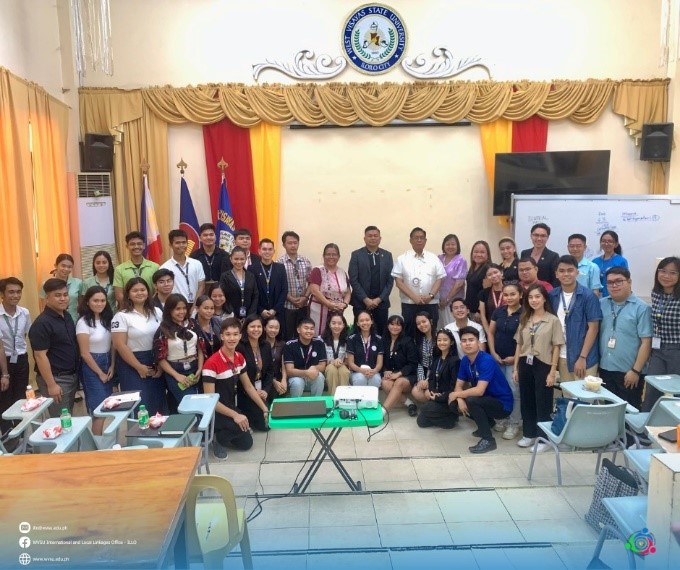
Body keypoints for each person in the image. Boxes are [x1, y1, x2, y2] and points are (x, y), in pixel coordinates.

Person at [202, 318, 267, 458]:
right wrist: (235, 415)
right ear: (222, 336)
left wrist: (265, 409)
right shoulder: (211, 364)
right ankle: (215, 437)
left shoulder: (239, 357)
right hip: (217, 410)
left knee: (246, 443)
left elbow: (249, 386)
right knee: (240, 429)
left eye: (235, 334)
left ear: (240, 336)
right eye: (228, 334)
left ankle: (233, 428)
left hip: (231, 405)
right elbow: (210, 401)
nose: (232, 338)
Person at [513, 284, 564, 452]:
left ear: (544, 299)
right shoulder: (524, 318)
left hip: (544, 364)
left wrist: (552, 372)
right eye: (530, 297)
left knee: (543, 401)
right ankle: (529, 434)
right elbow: (519, 345)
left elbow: (557, 346)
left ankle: (544, 439)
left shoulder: (553, 320)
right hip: (525, 363)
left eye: (537, 297)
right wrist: (515, 369)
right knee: (527, 399)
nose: (534, 300)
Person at [449, 327, 514, 454]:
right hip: (484, 400)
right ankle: (487, 423)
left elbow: (479, 391)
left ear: (478, 342)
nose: (467, 343)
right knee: (455, 404)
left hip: (502, 404)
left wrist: (457, 394)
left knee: (472, 400)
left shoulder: (486, 360)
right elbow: (459, 384)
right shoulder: (465, 361)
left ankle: (488, 440)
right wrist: (459, 399)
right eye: (464, 341)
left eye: (471, 340)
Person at [598, 267, 652, 412]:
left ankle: (630, 436)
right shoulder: (601, 304)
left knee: (630, 413)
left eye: (619, 281)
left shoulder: (642, 308)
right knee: (609, 410)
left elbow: (646, 342)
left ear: (629, 282)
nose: (614, 286)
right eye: (610, 283)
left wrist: (636, 370)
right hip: (605, 369)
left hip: (629, 372)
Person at [111, 277, 164, 415]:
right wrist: (138, 367)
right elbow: (119, 345)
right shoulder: (121, 316)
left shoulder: (157, 311)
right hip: (131, 363)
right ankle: (138, 436)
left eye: (142, 289)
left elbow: (164, 338)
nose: (139, 293)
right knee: (140, 406)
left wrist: (161, 364)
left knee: (158, 403)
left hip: (156, 360)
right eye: (135, 290)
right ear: (128, 294)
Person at [28, 278, 80, 417]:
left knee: (68, 417)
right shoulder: (42, 323)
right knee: (60, 420)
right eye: (57, 295)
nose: (63, 299)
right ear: (47, 298)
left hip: (71, 376)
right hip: (56, 379)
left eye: (65, 294)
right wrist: (51, 384)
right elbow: (40, 356)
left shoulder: (66, 316)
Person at [548, 255, 602, 380]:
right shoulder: (552, 296)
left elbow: (593, 329)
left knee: (585, 397)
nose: (566, 274)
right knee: (568, 396)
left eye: (570, 270)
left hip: (584, 357)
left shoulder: (588, 296)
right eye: (561, 271)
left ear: (577, 272)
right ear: (556, 274)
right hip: (562, 356)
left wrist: (582, 357)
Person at [391, 227, 446, 338]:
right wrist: (414, 297)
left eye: (422, 238)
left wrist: (430, 296)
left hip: (430, 303)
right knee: (410, 334)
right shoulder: (402, 259)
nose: (419, 240)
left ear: (425, 240)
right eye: (416, 238)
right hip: (409, 304)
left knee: (431, 333)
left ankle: (430, 355)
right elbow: (399, 281)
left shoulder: (433, 258)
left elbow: (440, 279)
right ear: (410, 240)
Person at [154, 294, 204, 413]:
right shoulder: (163, 329)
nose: (181, 312)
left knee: (199, 401)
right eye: (177, 309)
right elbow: (160, 358)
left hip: (194, 367)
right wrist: (177, 376)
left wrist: (200, 369)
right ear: (169, 310)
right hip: (175, 370)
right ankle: (197, 430)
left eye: (184, 308)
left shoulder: (192, 324)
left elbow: (201, 348)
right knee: (190, 405)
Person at [76, 286, 115, 435]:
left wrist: (112, 365)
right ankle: (97, 446)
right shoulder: (83, 322)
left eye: (102, 300)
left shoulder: (107, 319)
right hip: (92, 366)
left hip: (107, 361)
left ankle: (101, 442)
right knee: (98, 409)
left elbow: (113, 344)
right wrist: (100, 373)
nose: (99, 304)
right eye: (95, 301)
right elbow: (84, 353)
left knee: (107, 406)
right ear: (87, 302)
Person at [642, 256, 680, 412]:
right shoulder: (656, 293)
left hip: (677, 350)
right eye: (663, 271)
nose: (666, 276)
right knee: (652, 389)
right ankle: (645, 430)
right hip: (657, 349)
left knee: (676, 391)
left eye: (673, 273)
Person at [488, 282, 523, 440]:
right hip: (498, 358)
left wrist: (514, 358)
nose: (509, 297)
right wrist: (493, 353)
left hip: (514, 360)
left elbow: (524, 340)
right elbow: (490, 333)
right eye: (506, 295)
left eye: (513, 294)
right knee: (498, 389)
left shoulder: (525, 314)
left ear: (520, 295)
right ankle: (501, 418)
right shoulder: (498, 311)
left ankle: (514, 422)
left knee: (514, 391)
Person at [348, 225, 394, 336]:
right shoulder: (356, 255)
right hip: (361, 302)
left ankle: (380, 353)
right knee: (360, 332)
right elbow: (353, 279)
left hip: (381, 303)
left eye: (375, 236)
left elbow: (390, 280)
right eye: (370, 236)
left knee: (381, 332)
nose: (373, 238)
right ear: (365, 238)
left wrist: (379, 299)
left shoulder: (387, 255)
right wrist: (365, 299)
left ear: (380, 238)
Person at [0, 278, 32, 435]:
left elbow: (25, 335)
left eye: (18, 292)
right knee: (5, 400)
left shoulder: (24, 313)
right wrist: (4, 374)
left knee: (21, 398)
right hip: (3, 361)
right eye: (11, 292)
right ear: (2, 294)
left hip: (21, 359)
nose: (15, 295)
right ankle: (8, 438)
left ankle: (21, 434)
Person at [416, 328, 460, 429]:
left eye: (445, 340)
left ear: (451, 342)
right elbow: (431, 379)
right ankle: (447, 419)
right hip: (436, 396)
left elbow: (454, 386)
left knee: (424, 408)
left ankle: (451, 417)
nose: (442, 342)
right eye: (439, 340)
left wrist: (440, 397)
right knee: (421, 422)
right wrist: (432, 391)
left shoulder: (455, 361)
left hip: (447, 398)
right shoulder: (437, 359)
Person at [237, 315, 274, 431]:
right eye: (252, 326)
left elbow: (270, 370)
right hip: (245, 390)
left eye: (259, 326)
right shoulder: (240, 347)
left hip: (262, 388)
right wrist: (254, 391)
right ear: (246, 328)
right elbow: (241, 377)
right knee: (262, 425)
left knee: (267, 426)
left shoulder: (265, 345)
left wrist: (266, 390)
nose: (256, 329)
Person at [307, 243, 351, 336]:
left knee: (334, 336)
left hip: (338, 311)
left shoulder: (342, 272)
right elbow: (314, 290)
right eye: (328, 254)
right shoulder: (317, 270)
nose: (331, 257)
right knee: (318, 335)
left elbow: (348, 292)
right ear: (323, 256)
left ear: (339, 257)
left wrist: (345, 304)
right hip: (319, 311)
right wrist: (329, 304)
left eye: (334, 254)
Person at [277, 230, 312, 340]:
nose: (293, 245)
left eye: (295, 242)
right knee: (288, 336)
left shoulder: (305, 261)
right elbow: (278, 285)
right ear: (284, 245)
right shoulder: (279, 263)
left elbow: (311, 283)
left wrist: (305, 297)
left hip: (303, 305)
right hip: (287, 306)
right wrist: (290, 298)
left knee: (303, 334)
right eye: (289, 243)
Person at [381, 315, 419, 414]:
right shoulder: (384, 340)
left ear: (402, 327)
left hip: (408, 375)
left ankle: (382, 412)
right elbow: (381, 360)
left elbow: (413, 363)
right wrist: (385, 370)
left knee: (399, 382)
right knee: (385, 383)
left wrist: (399, 374)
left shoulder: (408, 341)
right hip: (393, 374)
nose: (395, 327)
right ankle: (410, 403)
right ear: (388, 326)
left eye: (398, 325)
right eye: (392, 324)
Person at [113, 231, 160, 308]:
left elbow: (158, 291)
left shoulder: (155, 267)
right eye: (132, 244)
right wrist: (132, 309)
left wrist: (149, 306)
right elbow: (119, 295)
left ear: (144, 246)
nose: (136, 246)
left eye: (139, 244)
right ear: (127, 246)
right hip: (128, 310)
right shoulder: (119, 269)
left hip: (150, 308)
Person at [160, 229, 206, 308]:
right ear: (170, 245)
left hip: (195, 306)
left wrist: (194, 308)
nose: (181, 245)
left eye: (184, 242)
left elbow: (201, 286)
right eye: (177, 243)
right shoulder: (164, 267)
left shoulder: (197, 263)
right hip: (175, 307)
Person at [283, 317, 327, 397]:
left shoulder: (319, 343)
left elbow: (322, 366)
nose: (309, 331)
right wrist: (306, 373)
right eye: (306, 328)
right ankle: (296, 407)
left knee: (320, 377)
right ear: (298, 330)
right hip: (297, 376)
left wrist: (312, 369)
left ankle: (316, 404)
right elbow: (289, 371)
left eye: (311, 329)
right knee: (297, 383)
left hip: (312, 375)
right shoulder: (289, 345)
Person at [250, 238, 287, 321]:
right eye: (264, 249)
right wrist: (261, 310)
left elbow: (284, 290)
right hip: (258, 313)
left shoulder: (280, 268)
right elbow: (251, 293)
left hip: (277, 313)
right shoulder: (252, 269)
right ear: (259, 251)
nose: (267, 252)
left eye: (270, 249)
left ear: (274, 251)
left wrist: (275, 310)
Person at [219, 246, 259, 319]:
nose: (239, 262)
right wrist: (232, 314)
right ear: (231, 259)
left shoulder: (251, 275)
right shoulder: (225, 276)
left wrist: (250, 315)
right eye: (236, 259)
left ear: (246, 259)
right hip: (230, 316)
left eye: (242, 259)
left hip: (249, 317)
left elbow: (255, 296)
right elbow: (223, 296)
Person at [346, 310, 383, 388]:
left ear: (371, 321)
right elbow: (351, 363)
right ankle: (359, 400)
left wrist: (374, 371)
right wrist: (361, 370)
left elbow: (379, 363)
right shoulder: (352, 339)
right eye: (361, 321)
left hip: (373, 372)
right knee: (360, 379)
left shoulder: (379, 339)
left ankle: (371, 401)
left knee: (375, 379)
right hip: (356, 372)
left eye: (367, 320)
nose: (365, 323)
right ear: (357, 323)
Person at [437, 233, 468, 328]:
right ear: (443, 246)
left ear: (457, 246)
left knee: (453, 328)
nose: (450, 246)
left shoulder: (460, 260)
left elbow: (459, 283)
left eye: (453, 244)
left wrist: (446, 299)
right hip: (438, 301)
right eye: (448, 244)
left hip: (453, 302)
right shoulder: (439, 258)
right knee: (440, 329)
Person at [40, 253, 82, 321]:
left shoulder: (78, 283)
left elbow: (81, 305)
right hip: (53, 322)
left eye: (69, 267)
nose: (66, 269)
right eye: (63, 266)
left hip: (74, 321)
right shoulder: (46, 284)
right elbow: (44, 306)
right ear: (56, 265)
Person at [593, 230, 629, 298]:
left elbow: (625, 282)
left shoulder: (621, 261)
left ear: (616, 244)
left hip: (615, 297)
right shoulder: (595, 261)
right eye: (603, 241)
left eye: (610, 241)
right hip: (596, 297)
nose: (606, 244)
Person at [321, 312, 350, 395]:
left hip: (342, 365)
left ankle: (344, 399)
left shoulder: (348, 340)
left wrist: (341, 362)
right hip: (327, 367)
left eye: (340, 323)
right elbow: (319, 360)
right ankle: (333, 399)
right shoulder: (321, 340)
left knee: (344, 371)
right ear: (329, 324)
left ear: (344, 325)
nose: (336, 326)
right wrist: (332, 362)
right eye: (333, 323)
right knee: (331, 369)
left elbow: (348, 360)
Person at [464, 240, 492, 317]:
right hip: (470, 310)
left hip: (479, 313)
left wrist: (480, 312)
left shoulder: (488, 269)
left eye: (482, 252)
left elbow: (487, 293)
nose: (478, 254)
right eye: (476, 252)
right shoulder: (473, 267)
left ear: (487, 255)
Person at [478, 264, 506, 336]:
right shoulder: (483, 293)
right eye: (489, 274)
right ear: (486, 277)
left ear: (501, 273)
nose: (493, 276)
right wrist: (489, 333)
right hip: (492, 329)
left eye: (495, 272)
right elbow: (483, 316)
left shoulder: (510, 289)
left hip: (510, 328)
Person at [264, 316, 287, 397]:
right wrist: (273, 381)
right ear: (265, 328)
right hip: (265, 378)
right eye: (271, 327)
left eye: (276, 328)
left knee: (283, 389)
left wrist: (284, 379)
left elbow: (284, 364)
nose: (273, 330)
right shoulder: (260, 344)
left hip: (279, 377)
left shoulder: (282, 344)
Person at [413, 311, 435, 387]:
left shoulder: (440, 338)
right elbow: (419, 362)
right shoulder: (418, 340)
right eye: (418, 324)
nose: (421, 325)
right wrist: (421, 379)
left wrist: (428, 379)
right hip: (424, 372)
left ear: (431, 321)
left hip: (437, 374)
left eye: (424, 321)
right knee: (416, 391)